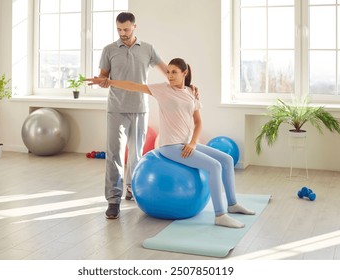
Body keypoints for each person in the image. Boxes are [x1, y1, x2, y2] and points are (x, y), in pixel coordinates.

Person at [87, 58, 255, 228]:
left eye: (174, 72)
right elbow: (133, 85)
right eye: (168, 72)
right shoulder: (162, 90)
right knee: (215, 166)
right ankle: (220, 215)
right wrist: (108, 82)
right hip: (170, 147)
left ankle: (232, 205)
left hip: (186, 144)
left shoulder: (191, 92)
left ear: (185, 73)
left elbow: (198, 123)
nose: (170, 76)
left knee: (225, 160)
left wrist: (193, 143)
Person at [97, 12, 168, 219]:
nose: (123, 33)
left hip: (140, 108)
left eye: (126, 29)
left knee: (136, 155)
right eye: (119, 30)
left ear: (134, 27)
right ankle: (113, 200)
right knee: (114, 155)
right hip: (116, 109)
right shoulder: (109, 50)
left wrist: (187, 85)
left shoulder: (147, 49)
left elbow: (167, 71)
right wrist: (102, 80)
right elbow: (103, 76)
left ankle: (131, 188)